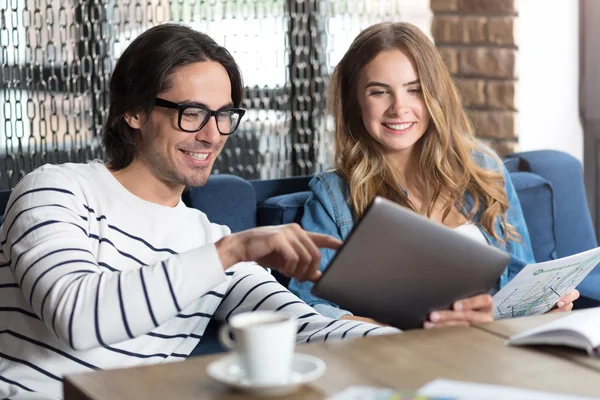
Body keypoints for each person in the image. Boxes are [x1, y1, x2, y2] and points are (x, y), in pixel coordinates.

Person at [0, 24, 399, 399]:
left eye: (223, 115)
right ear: (134, 112)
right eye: (192, 112)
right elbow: (77, 319)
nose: (211, 135)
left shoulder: (208, 240)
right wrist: (229, 252)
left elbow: (304, 328)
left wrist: (416, 334)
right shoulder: (55, 190)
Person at [288, 22, 579, 327]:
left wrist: (542, 306)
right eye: (379, 92)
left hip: (495, 348)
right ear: (356, 102)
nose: (399, 108)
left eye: (414, 90)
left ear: (435, 95)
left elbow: (521, 281)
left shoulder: (484, 169)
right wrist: (407, 328)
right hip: (400, 358)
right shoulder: (334, 194)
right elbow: (309, 308)